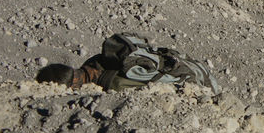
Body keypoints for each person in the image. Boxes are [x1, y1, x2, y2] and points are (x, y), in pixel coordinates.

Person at [35, 32, 219, 93]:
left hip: (201, 81)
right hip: (190, 64)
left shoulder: (112, 83)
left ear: (72, 85)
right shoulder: (93, 62)